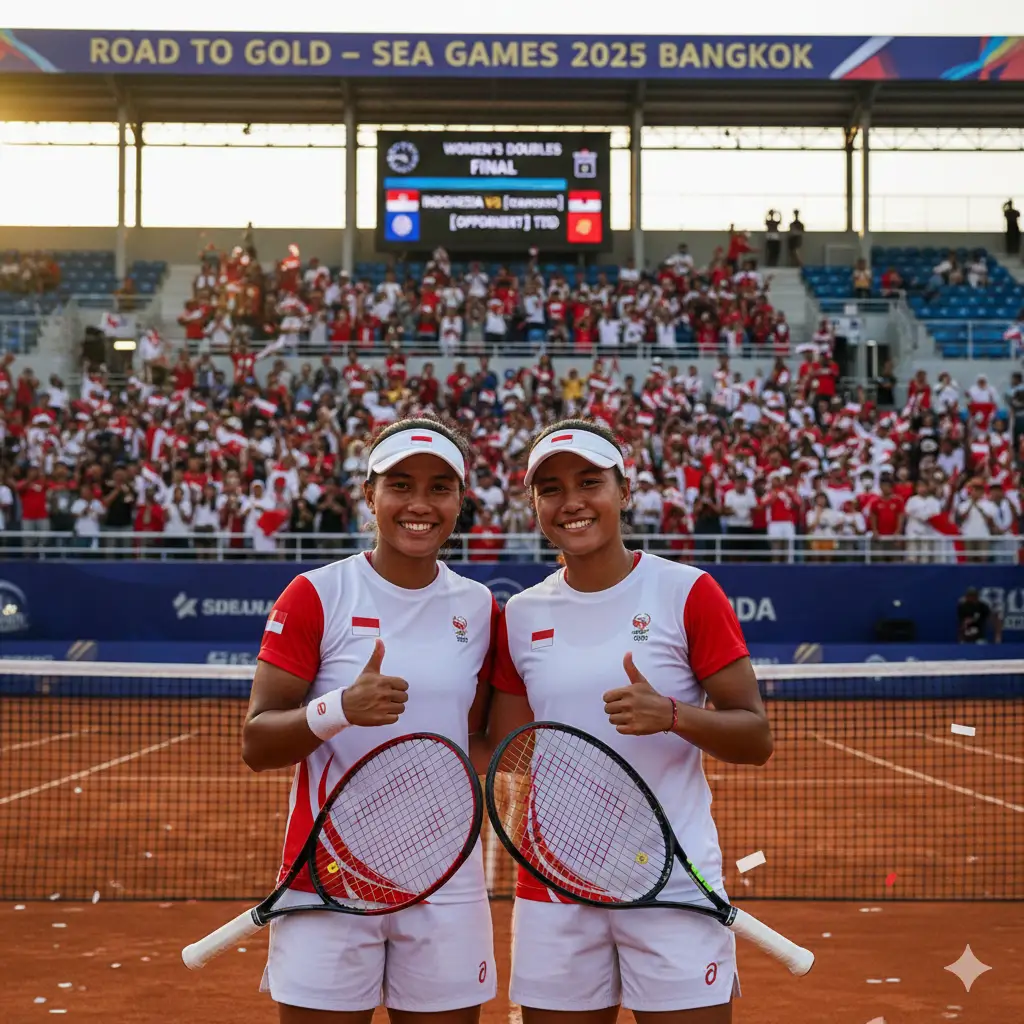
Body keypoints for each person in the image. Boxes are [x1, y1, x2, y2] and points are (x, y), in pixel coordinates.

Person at [483, 418, 772, 1024]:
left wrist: (671, 715)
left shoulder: (687, 591)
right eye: (551, 489)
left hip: (673, 879)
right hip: (554, 888)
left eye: (590, 481)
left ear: (624, 490)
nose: (572, 502)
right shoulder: (521, 614)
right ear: (534, 504)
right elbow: (511, 752)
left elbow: (754, 735)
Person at [241, 417, 498, 1023]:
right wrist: (339, 710)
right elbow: (258, 741)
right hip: (326, 876)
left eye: (440, 487)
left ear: (461, 500)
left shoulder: (481, 608)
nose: (419, 503)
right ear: (369, 496)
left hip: (446, 884)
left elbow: (481, 744)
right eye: (400, 484)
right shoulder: (314, 594)